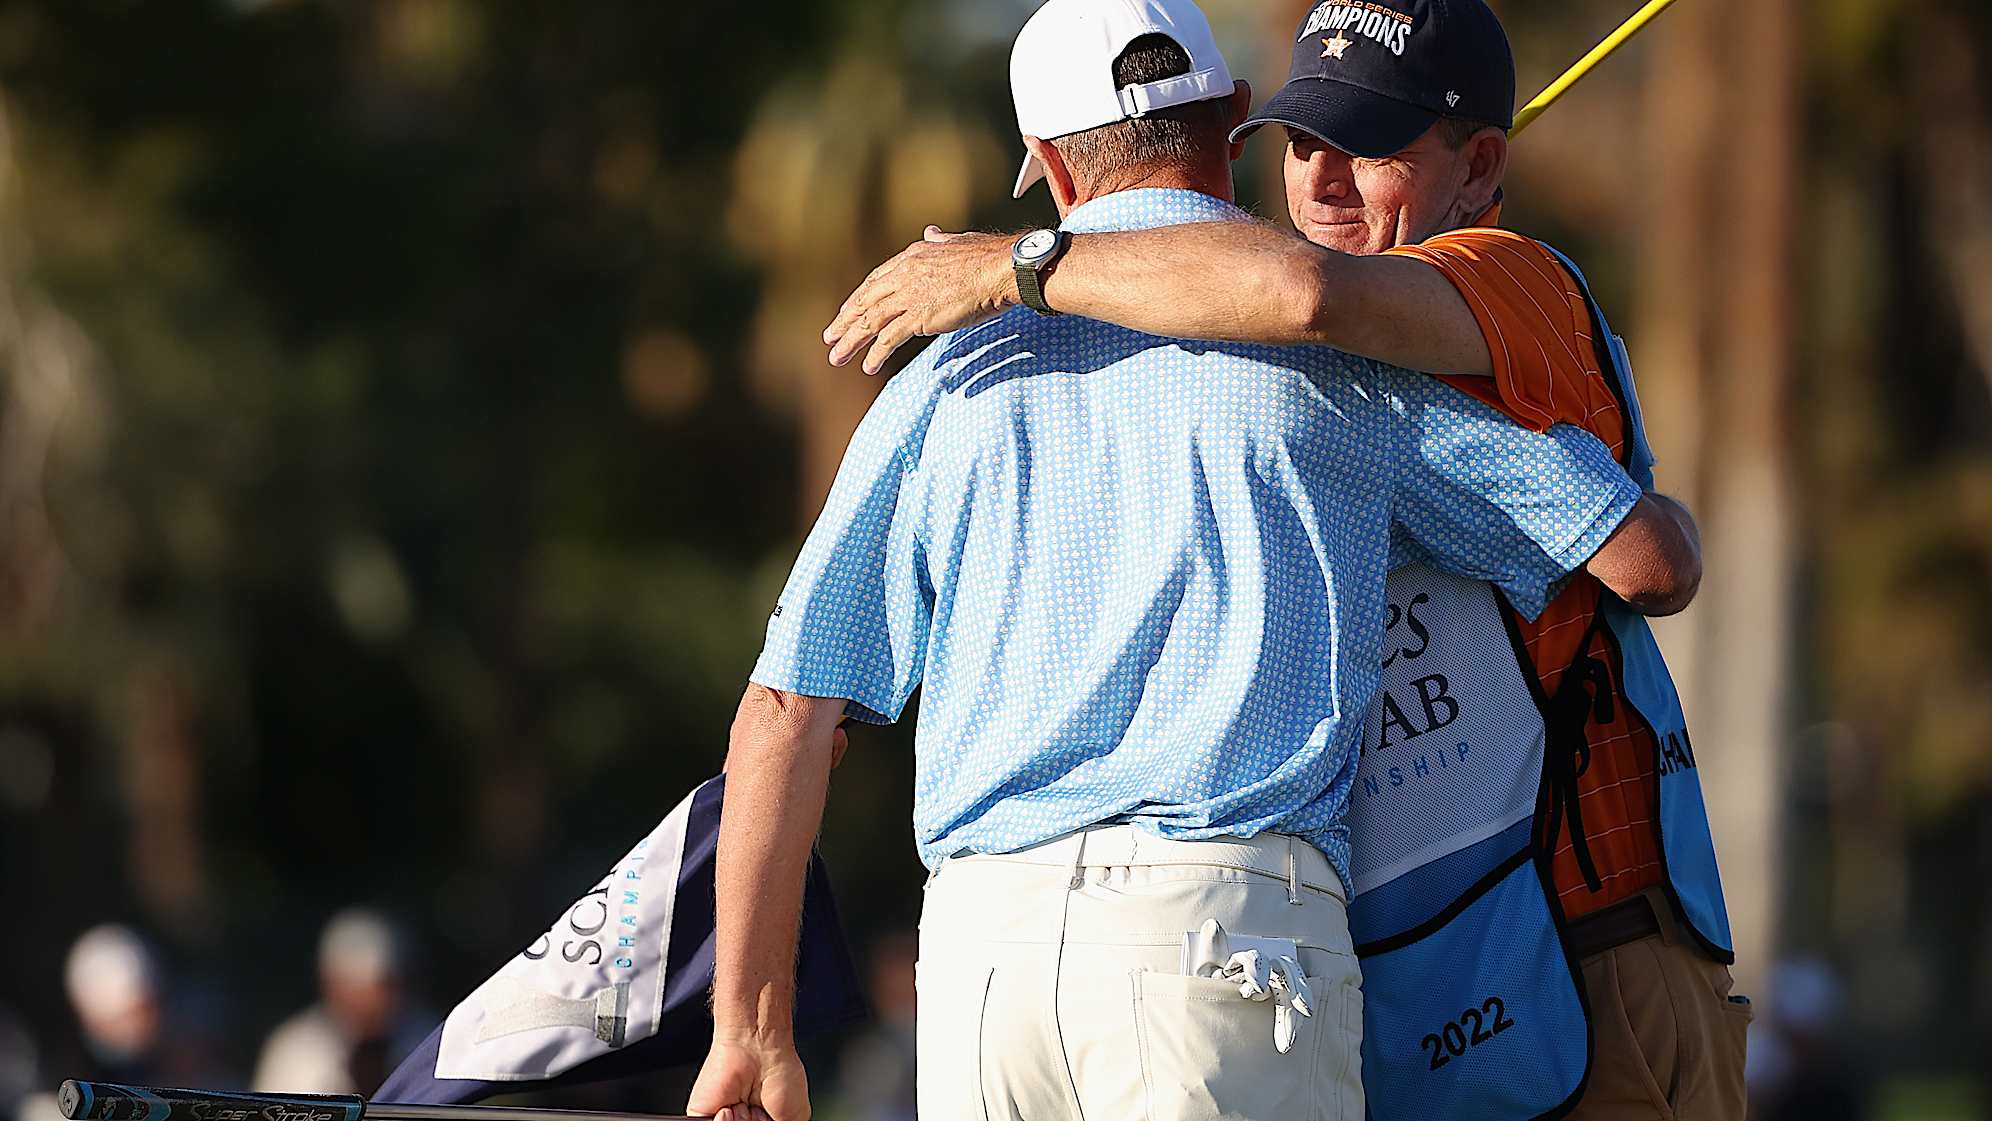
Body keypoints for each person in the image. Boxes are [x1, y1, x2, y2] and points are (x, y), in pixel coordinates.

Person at [689, 1, 1696, 1120]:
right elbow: (1644, 559)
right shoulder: (1338, 364)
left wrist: (752, 1031)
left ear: (1052, 173)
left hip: (983, 970)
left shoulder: (941, 384)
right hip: (1227, 943)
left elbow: (784, 713)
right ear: (1230, 121)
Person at [254, 908, 427, 1095]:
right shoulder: (295, 1051)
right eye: (357, 988)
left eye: (385, 986)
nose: (373, 1002)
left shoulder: (426, 1043)